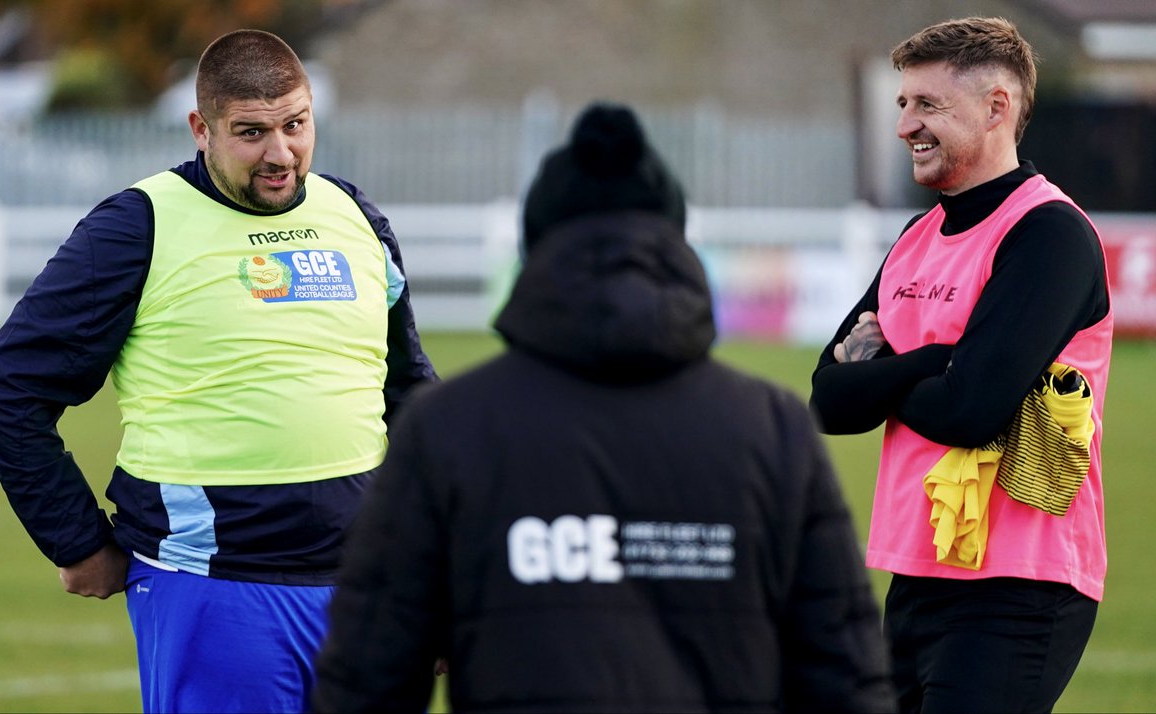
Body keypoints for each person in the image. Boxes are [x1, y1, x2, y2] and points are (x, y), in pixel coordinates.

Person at [311, 102, 895, 714]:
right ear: (673, 240)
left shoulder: (447, 427)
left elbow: (368, 680)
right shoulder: (772, 428)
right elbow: (846, 680)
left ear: (534, 245)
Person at [0, 29, 437, 713]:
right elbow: (5, 392)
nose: (281, 154)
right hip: (215, 587)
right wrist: (76, 539)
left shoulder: (357, 218)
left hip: (369, 587)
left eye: (296, 125)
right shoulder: (138, 227)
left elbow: (414, 396)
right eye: (251, 132)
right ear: (201, 128)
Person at [809, 16, 1113, 714]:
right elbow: (828, 399)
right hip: (916, 571)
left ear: (997, 108)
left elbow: (971, 412)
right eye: (903, 104)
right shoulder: (916, 238)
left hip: (1020, 582)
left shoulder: (1048, 234)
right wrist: (936, 362)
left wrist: (894, 375)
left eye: (927, 105)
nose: (904, 125)